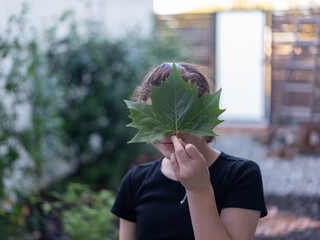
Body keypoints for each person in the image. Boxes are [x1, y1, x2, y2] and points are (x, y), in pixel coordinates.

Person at [111, 62, 267, 240]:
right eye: (156, 119)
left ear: (204, 117)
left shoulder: (240, 175)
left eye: (178, 118)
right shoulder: (135, 181)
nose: (170, 132)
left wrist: (198, 190)